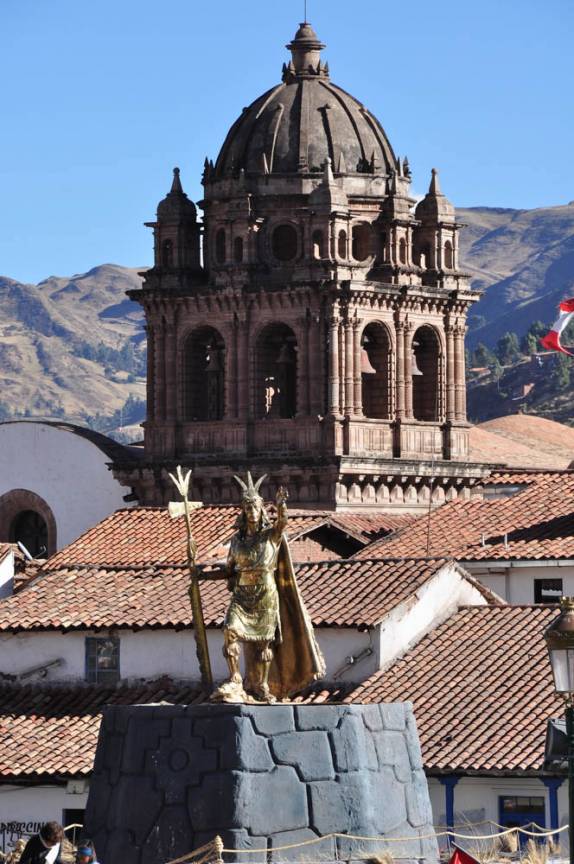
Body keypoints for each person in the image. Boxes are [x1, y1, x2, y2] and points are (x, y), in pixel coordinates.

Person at [210, 471, 325, 703]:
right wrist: (199, 574)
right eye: (247, 507)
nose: (251, 511)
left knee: (264, 643)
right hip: (242, 595)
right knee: (229, 630)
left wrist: (282, 506)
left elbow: (282, 524)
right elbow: (228, 569)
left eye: (255, 507)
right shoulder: (237, 542)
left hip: (265, 594)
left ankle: (262, 685)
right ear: (243, 511)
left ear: (260, 509)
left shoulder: (270, 536)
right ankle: (235, 679)